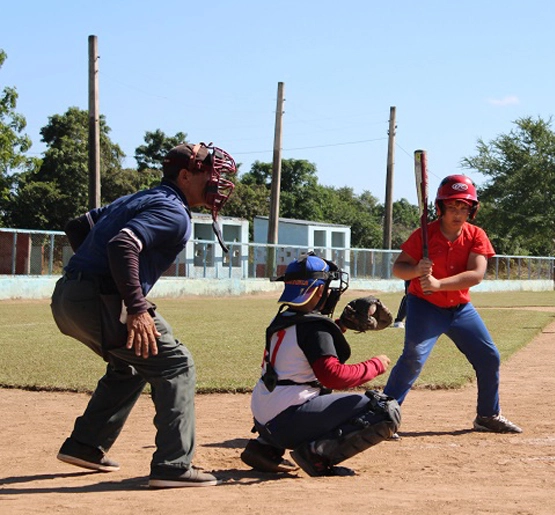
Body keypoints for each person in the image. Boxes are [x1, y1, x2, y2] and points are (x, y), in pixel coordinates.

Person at [51, 142, 237, 488]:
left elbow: (78, 226)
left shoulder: (138, 198)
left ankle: (85, 445)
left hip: (67, 297)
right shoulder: (173, 211)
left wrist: (93, 274)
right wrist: (135, 307)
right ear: (185, 175)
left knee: (135, 362)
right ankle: (173, 465)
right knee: (176, 364)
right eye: (210, 173)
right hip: (97, 299)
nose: (217, 181)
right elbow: (123, 244)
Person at [383, 174, 522, 434]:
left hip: (460, 309)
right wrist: (416, 270)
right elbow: (398, 269)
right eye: (452, 206)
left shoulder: (475, 235)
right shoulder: (424, 235)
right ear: (441, 208)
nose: (458, 213)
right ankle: (383, 418)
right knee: (413, 357)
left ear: (472, 210)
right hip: (425, 306)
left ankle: (487, 415)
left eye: (464, 207)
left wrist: (438, 284)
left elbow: (476, 274)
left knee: (489, 357)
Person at [241, 254, 401, 477]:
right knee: (385, 410)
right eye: (327, 286)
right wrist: (375, 365)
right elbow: (333, 376)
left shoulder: (283, 318)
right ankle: (316, 455)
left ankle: (264, 447)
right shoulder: (315, 328)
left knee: (299, 387)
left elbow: (302, 350)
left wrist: (341, 326)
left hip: (264, 417)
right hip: (287, 421)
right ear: (318, 290)